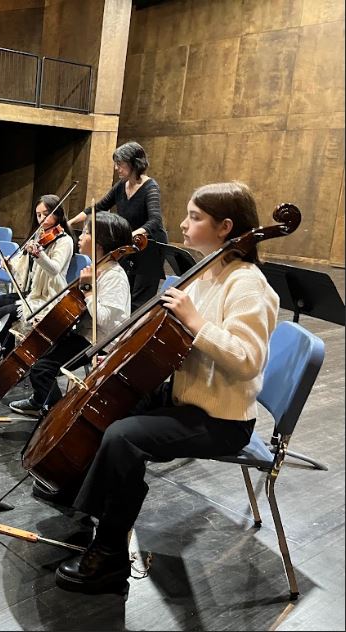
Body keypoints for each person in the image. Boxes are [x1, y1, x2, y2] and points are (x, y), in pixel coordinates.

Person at [55, 182, 279, 593]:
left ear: (226, 227)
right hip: (184, 396)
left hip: (222, 418)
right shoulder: (205, 271)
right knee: (108, 404)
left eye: (195, 217)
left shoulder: (248, 285)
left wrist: (196, 322)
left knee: (124, 438)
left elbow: (248, 361)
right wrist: (118, 354)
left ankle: (110, 556)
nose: (183, 223)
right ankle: (81, 502)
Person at [8, 212, 132, 417]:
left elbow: (103, 319)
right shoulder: (96, 267)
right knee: (39, 353)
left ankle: (55, 412)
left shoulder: (114, 276)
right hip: (84, 332)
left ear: (100, 241)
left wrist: (88, 290)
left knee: (42, 368)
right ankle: (41, 400)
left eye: (86, 232)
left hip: (100, 341)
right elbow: (77, 307)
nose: (80, 236)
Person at [0, 194, 74, 375]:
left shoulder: (65, 241)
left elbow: (54, 270)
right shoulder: (38, 236)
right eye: (38, 215)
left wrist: (39, 254)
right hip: (28, 292)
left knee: (3, 313)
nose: (42, 219)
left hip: (47, 296)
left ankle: (9, 363)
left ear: (58, 214)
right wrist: (9, 265)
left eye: (46, 214)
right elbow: (22, 267)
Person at [67, 141, 167, 311]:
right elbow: (98, 207)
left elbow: (155, 221)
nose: (116, 168)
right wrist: (69, 222)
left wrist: (128, 235)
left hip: (150, 245)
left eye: (120, 164)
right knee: (126, 287)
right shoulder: (121, 185)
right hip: (130, 243)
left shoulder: (150, 187)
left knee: (140, 298)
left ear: (134, 163)